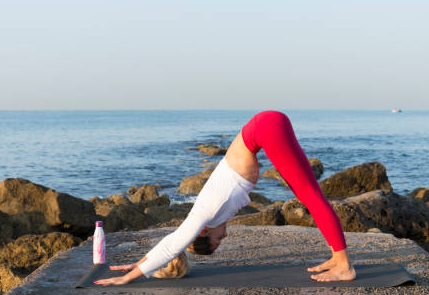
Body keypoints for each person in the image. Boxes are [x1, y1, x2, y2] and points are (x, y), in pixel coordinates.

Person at [95, 111, 356, 286]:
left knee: (311, 198)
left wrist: (128, 277)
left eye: (218, 239)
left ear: (204, 231)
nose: (225, 236)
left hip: (265, 128)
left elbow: (173, 244)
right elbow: (172, 240)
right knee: (306, 194)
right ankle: (337, 257)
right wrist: (139, 262)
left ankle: (344, 266)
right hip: (264, 126)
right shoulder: (206, 216)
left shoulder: (204, 214)